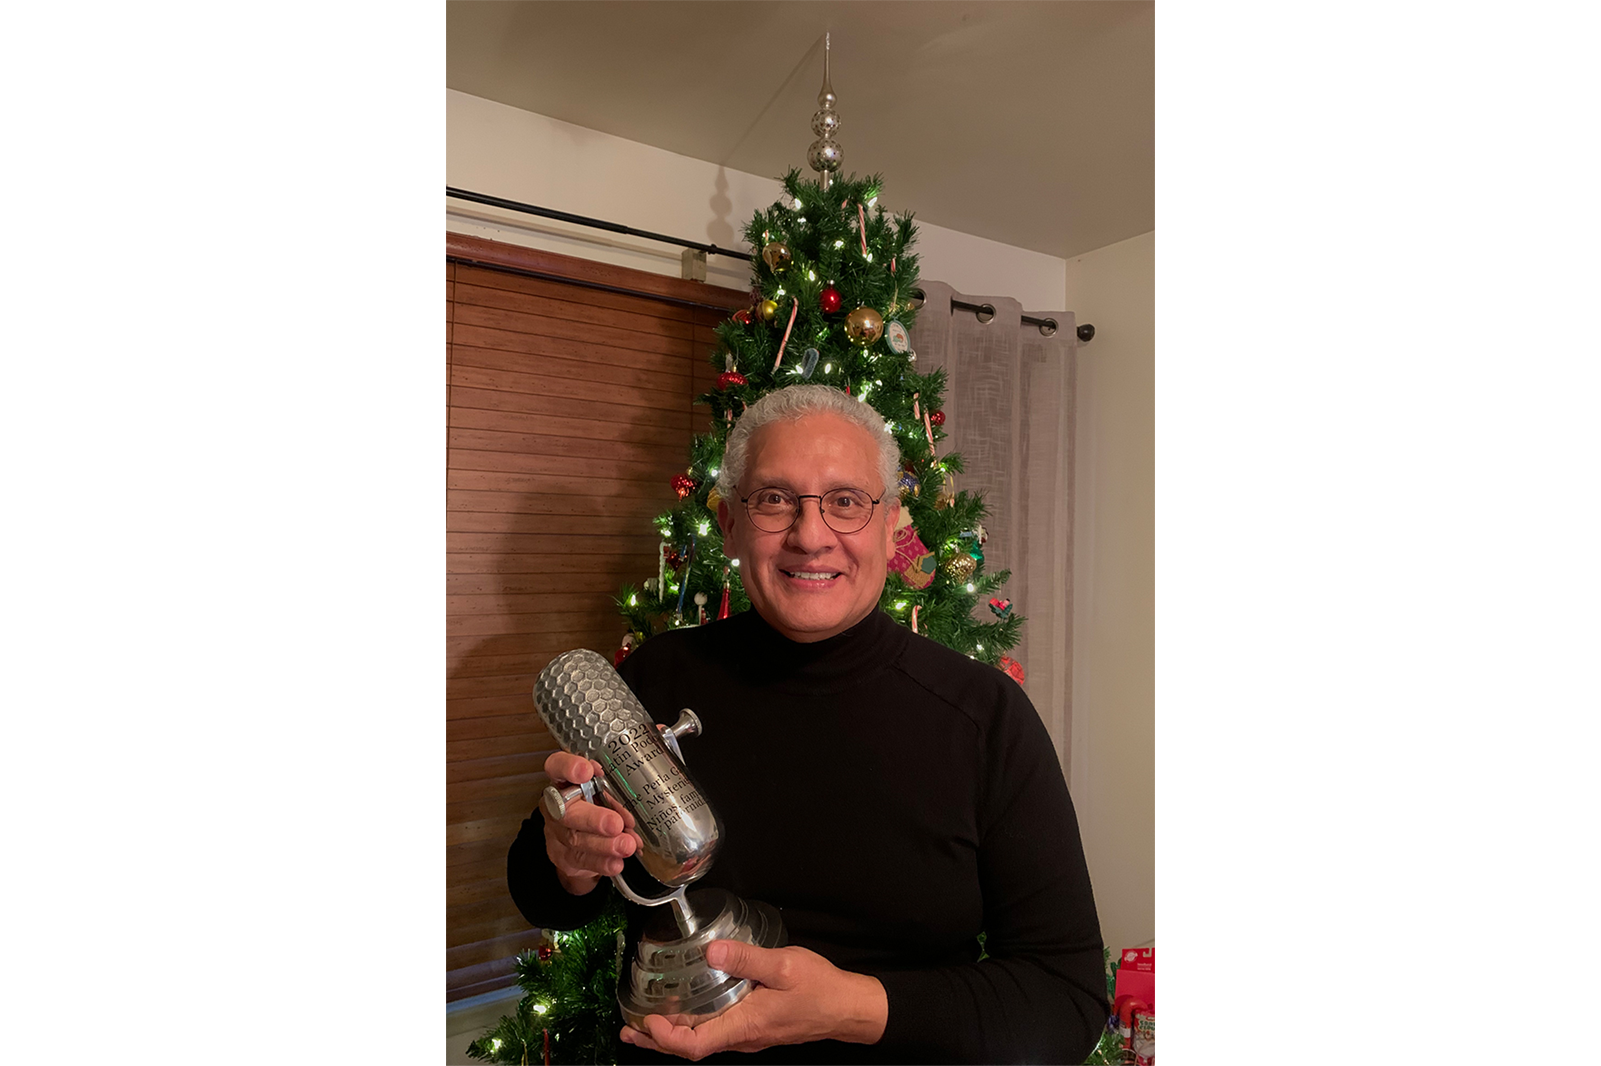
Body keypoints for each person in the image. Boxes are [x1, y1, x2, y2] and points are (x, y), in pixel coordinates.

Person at [507, 384, 1108, 1063]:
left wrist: (851, 1010)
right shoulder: (656, 677)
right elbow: (546, 899)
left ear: (892, 527)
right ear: (730, 524)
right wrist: (568, 862)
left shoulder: (984, 716)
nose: (810, 535)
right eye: (773, 499)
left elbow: (1066, 996)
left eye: (846, 502)